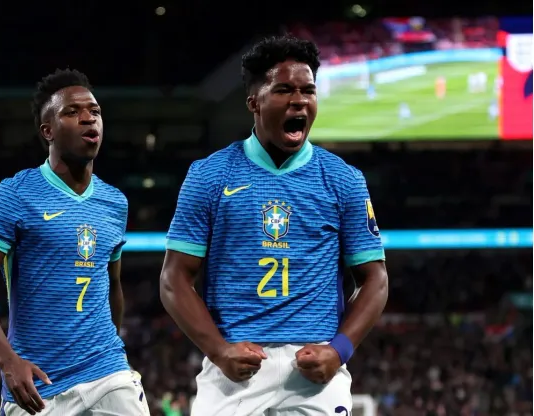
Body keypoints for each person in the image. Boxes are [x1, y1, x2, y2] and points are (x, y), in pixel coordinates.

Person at [160, 35, 389, 415]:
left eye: (308, 90)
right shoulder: (209, 176)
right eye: (283, 89)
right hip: (234, 371)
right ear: (254, 102)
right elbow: (173, 279)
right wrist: (218, 350)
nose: (299, 100)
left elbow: (375, 279)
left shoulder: (343, 179)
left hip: (314, 373)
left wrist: (339, 351)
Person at [0, 69, 148, 416]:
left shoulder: (114, 202)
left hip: (106, 372)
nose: (88, 118)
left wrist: (110, 347)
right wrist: (8, 362)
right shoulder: (15, 194)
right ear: (48, 131)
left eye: (94, 111)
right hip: (39, 384)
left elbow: (113, 284)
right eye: (72, 112)